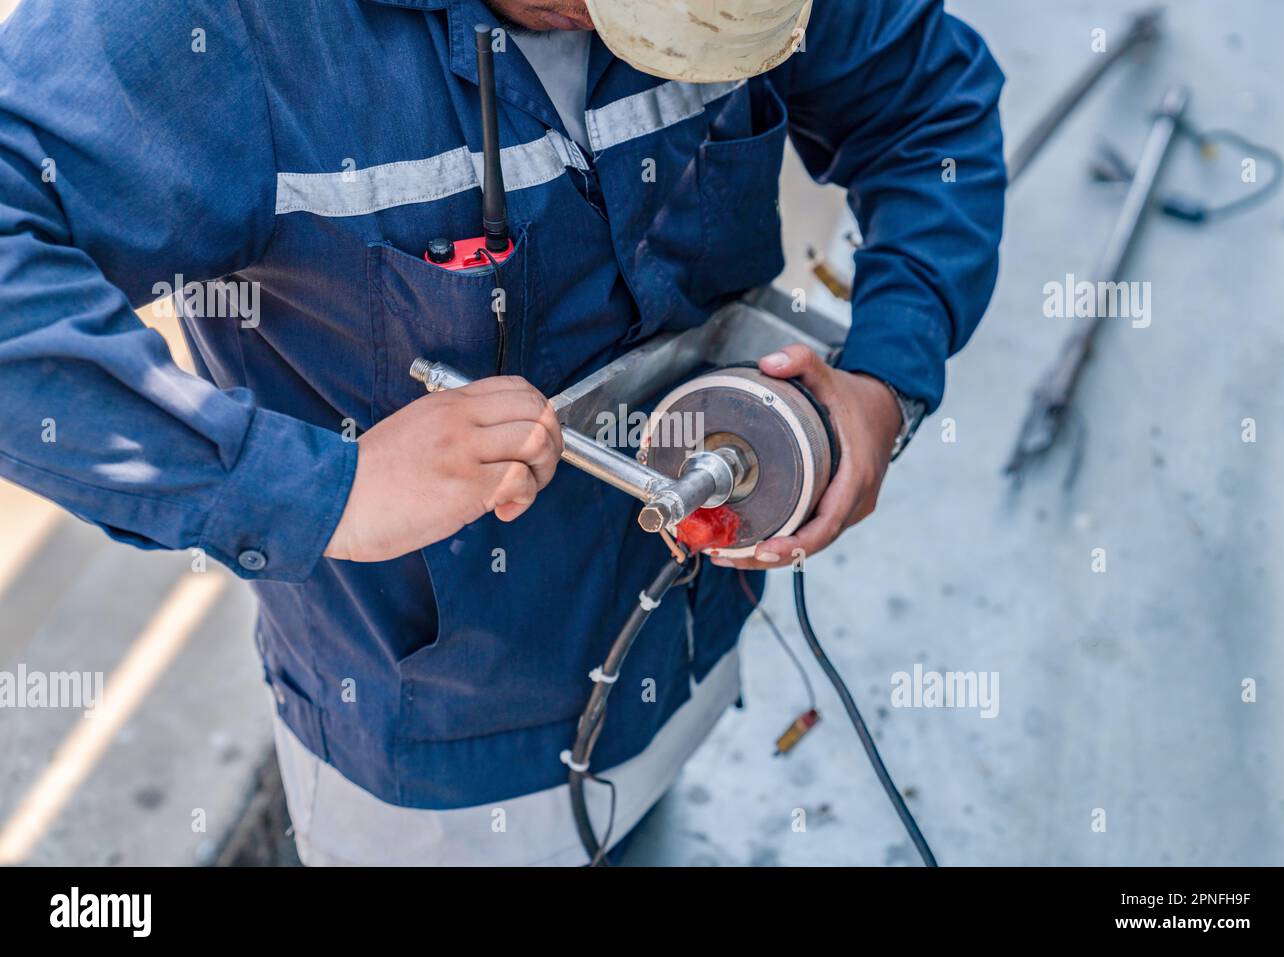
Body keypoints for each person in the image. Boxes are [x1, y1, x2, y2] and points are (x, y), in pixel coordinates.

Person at [0, 0, 1005, 865]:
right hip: (429, 760)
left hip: (687, 642)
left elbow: (927, 107)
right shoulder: (228, 32)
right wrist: (314, 491)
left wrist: (886, 374)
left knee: (647, 825)